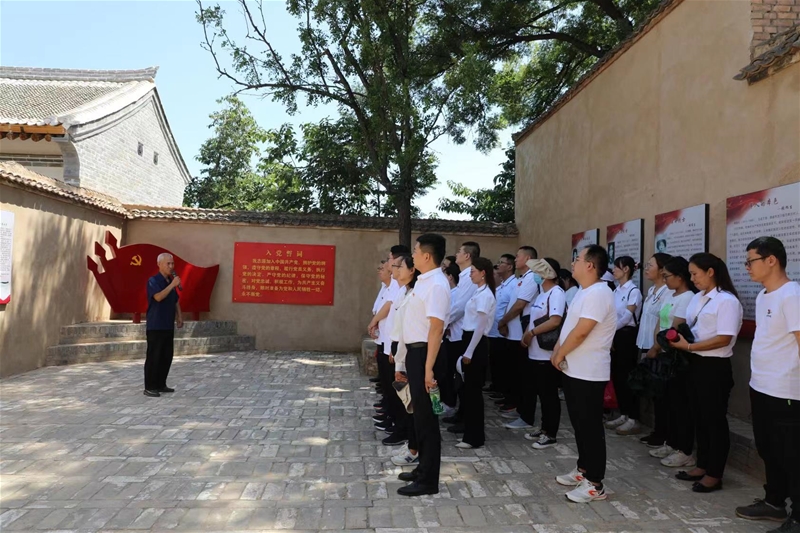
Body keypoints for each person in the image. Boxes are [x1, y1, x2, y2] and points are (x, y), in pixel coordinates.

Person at [735, 237, 800, 532]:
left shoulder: (792, 295)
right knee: (768, 449)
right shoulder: (763, 296)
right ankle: (774, 502)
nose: (747, 267)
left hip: (786, 391)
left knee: (792, 455)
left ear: (771, 260)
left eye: (751, 261)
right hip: (761, 386)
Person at [669, 253, 743, 493]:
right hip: (694, 364)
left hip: (714, 367)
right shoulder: (698, 297)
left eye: (695, 274)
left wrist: (690, 347)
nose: (692, 279)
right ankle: (702, 465)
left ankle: (714, 474)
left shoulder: (726, 300)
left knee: (714, 420)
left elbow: (724, 338)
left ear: (710, 272)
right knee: (699, 417)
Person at [552, 245, 617, 503]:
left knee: (590, 428)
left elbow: (581, 332)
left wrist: (560, 354)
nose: (573, 263)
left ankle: (595, 484)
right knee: (579, 424)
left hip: (589, 372)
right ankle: (583, 469)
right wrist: (558, 350)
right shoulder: (583, 291)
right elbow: (570, 326)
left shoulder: (600, 293)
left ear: (590, 265)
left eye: (577, 259)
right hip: (574, 369)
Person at [396, 233, 450, 497]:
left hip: (427, 355)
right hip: (416, 354)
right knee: (419, 417)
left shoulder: (437, 284)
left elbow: (436, 328)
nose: (413, 254)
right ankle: (422, 469)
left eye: (416, 251)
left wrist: (428, 369)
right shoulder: (424, 281)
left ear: (427, 256)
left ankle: (428, 481)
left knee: (427, 420)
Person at [648, 256, 697, 468]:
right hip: (663, 354)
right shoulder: (671, 294)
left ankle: (683, 449)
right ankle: (671, 441)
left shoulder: (687, 297)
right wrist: (655, 346)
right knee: (667, 402)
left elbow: (674, 328)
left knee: (679, 405)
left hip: (676, 357)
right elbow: (660, 321)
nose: (665, 279)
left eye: (667, 276)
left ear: (680, 277)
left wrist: (657, 347)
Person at [512, 258, 565, 449]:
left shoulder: (556, 293)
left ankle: (551, 433)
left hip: (546, 355)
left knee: (549, 395)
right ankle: (544, 428)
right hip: (535, 353)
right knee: (542, 394)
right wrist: (527, 335)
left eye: (537, 272)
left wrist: (531, 333)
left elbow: (555, 320)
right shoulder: (543, 294)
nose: (534, 275)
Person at [455, 257, 497, 449]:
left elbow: (480, 326)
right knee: (468, 391)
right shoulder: (478, 292)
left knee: (473, 393)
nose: (470, 274)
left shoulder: (485, 295)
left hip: (476, 343)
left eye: (473, 271)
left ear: (483, 273)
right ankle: (469, 433)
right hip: (469, 339)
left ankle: (474, 437)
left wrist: (469, 352)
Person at [496, 246, 539, 415]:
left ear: (527, 258)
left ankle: (520, 407)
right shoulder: (523, 278)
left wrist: (502, 322)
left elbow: (520, 305)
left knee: (521, 374)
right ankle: (513, 401)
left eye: (517, 256)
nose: (515, 260)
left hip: (520, 334)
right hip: (513, 333)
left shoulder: (532, 278)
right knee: (512, 371)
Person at [636, 253, 673, 447]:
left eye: (650, 265)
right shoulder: (651, 290)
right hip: (645, 344)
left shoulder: (668, 292)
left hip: (657, 348)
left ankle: (663, 434)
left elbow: (663, 321)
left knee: (661, 394)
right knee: (652, 391)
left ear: (662, 269)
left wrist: (655, 346)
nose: (646, 268)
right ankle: (657, 431)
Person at [442, 242, 479, 427]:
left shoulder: (469, 277)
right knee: (457, 376)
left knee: (463, 379)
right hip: (455, 333)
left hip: (462, 334)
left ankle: (465, 418)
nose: (456, 254)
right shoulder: (465, 276)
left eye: (459, 251)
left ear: (467, 256)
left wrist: (442, 323)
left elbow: (460, 307)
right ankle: (460, 413)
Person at [605, 256, 643, 435]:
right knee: (617, 376)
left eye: (617, 267)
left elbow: (627, 317)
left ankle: (633, 418)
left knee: (627, 376)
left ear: (626, 269)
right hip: (614, 335)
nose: (613, 270)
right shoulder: (615, 291)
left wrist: (610, 330)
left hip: (627, 336)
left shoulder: (633, 291)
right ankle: (623, 413)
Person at [389, 254, 421, 467]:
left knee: (413, 405)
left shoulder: (416, 294)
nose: (396, 269)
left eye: (400, 266)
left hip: (412, 352)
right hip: (402, 350)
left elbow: (408, 331)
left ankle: (414, 449)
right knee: (408, 403)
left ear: (412, 270)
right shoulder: (406, 292)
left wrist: (400, 362)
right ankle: (412, 444)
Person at [144, 253, 183, 397]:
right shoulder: (153, 281)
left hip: (168, 324)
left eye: (172, 264)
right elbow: (158, 297)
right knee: (154, 356)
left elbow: (176, 300)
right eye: (168, 264)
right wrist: (172, 285)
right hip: (156, 324)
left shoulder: (170, 281)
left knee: (166, 356)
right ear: (159, 264)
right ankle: (150, 386)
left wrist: (179, 316)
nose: (171, 266)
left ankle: (161, 384)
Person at [486, 254, 516, 400]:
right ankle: (497, 387)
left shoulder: (514, 284)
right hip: (493, 330)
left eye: (501, 263)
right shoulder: (503, 285)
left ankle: (504, 391)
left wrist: (503, 323)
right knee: (495, 362)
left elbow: (512, 308)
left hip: (503, 331)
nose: (498, 265)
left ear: (510, 267)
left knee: (503, 364)